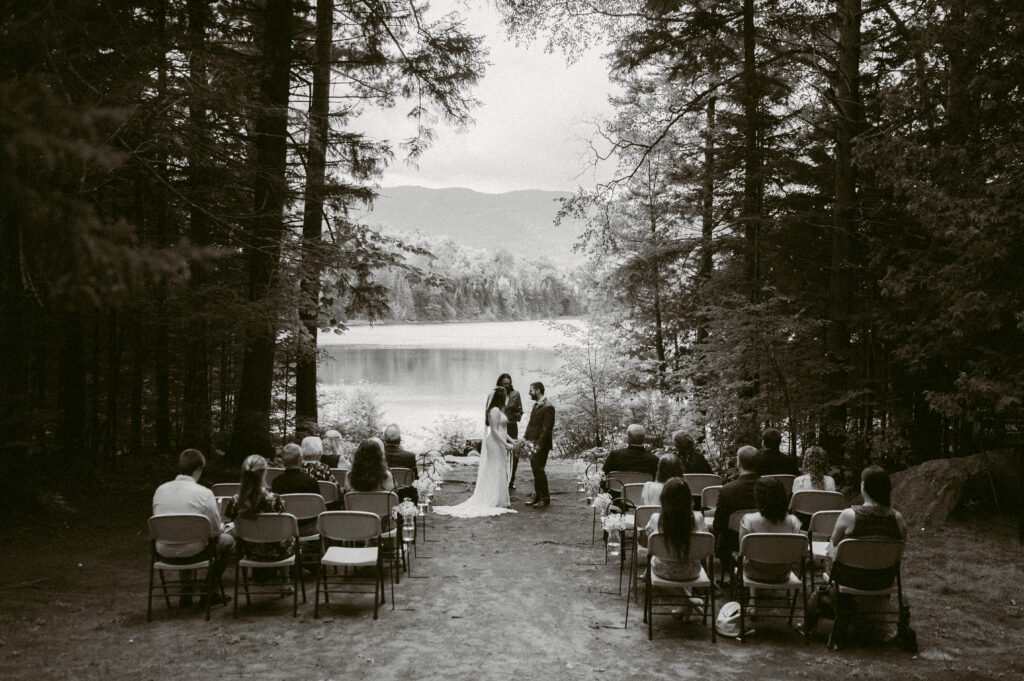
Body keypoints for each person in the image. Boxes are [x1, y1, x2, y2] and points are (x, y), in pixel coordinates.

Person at [152, 449, 234, 607]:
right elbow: (216, 532)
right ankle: (210, 591)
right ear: (198, 469)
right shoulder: (204, 493)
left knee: (182, 534)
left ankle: (186, 591)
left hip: (163, 551)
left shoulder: (160, 491)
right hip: (196, 551)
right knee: (227, 541)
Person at [434, 388, 517, 517]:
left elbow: (503, 430)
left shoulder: (500, 410)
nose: (507, 398)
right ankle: (493, 498)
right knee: (495, 468)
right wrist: (505, 444)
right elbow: (494, 431)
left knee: (500, 468)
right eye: (505, 396)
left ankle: (501, 499)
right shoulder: (494, 410)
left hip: (500, 441)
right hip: (495, 443)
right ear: (501, 397)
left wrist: (512, 440)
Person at [827, 465, 908, 589]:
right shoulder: (898, 519)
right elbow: (899, 552)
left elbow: (834, 542)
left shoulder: (849, 515)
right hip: (883, 581)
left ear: (863, 485)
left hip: (849, 580)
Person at [224, 455, 295, 566]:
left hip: (249, 552)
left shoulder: (235, 501)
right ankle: (286, 579)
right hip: (278, 551)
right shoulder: (275, 499)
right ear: (264, 473)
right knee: (285, 533)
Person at [738, 477, 803, 581]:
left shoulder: (748, 520)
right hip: (783, 573)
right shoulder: (794, 522)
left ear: (758, 497)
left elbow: (743, 552)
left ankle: (755, 595)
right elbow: (797, 555)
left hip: (753, 572)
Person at [712, 445, 761, 583]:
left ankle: (734, 571)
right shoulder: (771, 488)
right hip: (766, 546)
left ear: (739, 463)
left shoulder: (728, 491)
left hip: (734, 547)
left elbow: (718, 525)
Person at [523, 381, 555, 508]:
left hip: (541, 445)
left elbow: (547, 429)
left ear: (537, 390)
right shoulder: (536, 405)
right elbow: (531, 424)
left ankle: (545, 498)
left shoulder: (548, 407)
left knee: (539, 470)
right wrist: (525, 438)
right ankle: (537, 496)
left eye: (531, 390)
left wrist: (538, 446)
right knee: (535, 470)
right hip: (532, 443)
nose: (529, 393)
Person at [497, 373, 524, 491]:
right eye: (504, 384)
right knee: (500, 453)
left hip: (512, 427)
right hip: (500, 427)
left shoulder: (515, 394)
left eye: (508, 384)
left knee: (514, 453)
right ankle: (501, 478)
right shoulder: (496, 394)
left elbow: (520, 411)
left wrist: (515, 417)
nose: (506, 386)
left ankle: (511, 479)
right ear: (500, 384)